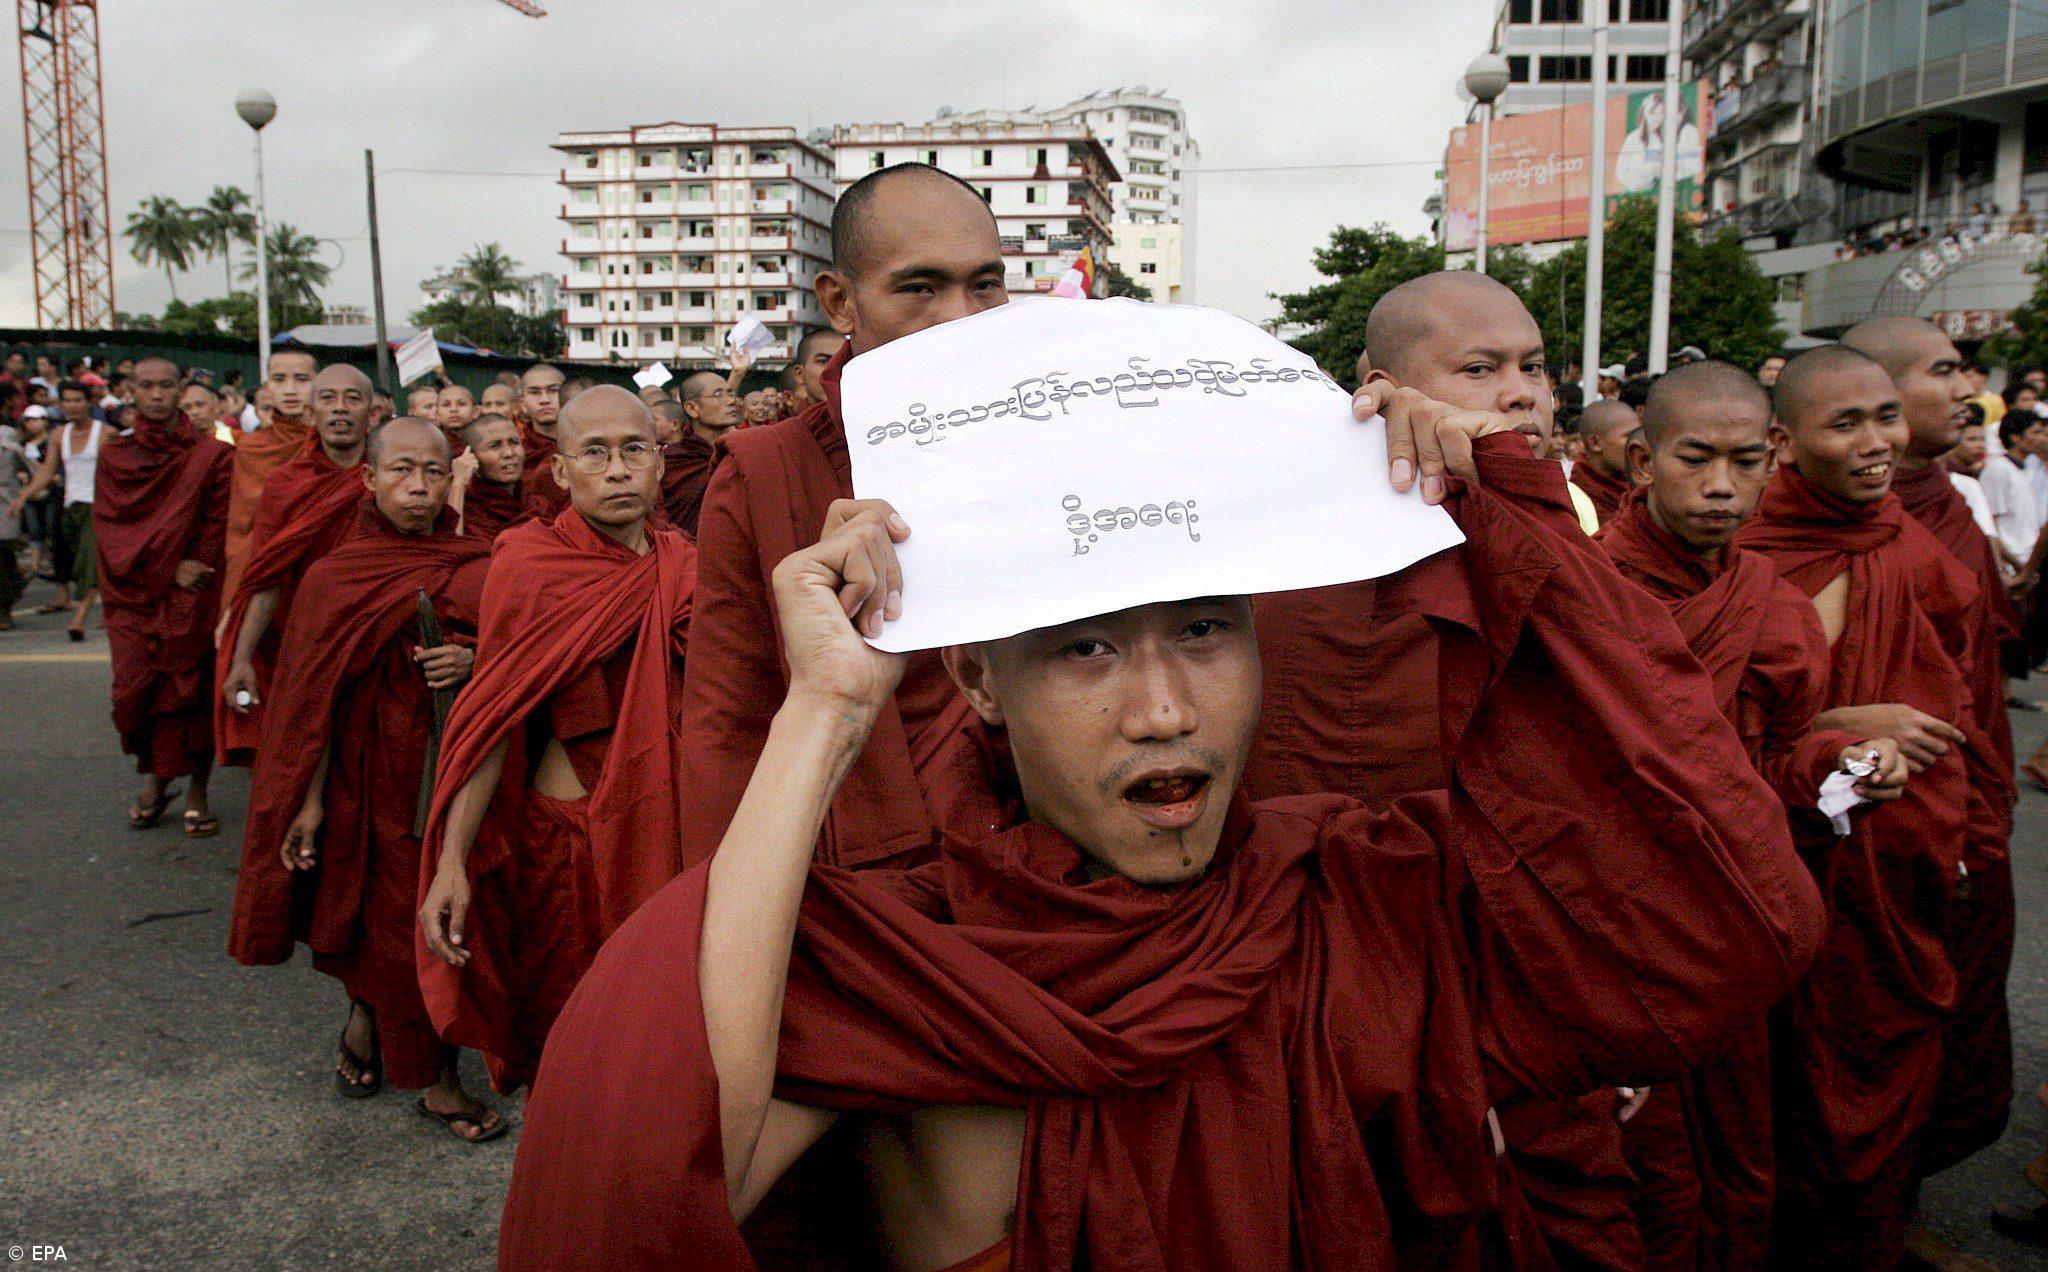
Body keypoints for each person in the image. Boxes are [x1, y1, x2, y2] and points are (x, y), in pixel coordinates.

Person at [497, 384, 1832, 1270]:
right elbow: (636, 1213)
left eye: (1205, 632)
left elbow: (1724, 930)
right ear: (972, 681)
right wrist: (825, 715)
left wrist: (1504, 519)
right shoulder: (915, 966)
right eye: (1082, 651)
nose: (1160, 711)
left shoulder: (1361, 898)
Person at [1600, 360, 1909, 1269]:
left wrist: (1843, 767)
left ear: (1775, 457)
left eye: (1744, 461)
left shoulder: (1766, 601)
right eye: (1696, 460)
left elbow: (1773, 755)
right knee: (1636, 1171)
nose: (1722, 488)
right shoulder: (1582, 588)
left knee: (1730, 1152)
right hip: (1617, 919)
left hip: (1730, 915)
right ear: (1641, 460)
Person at [1735, 344, 1984, 1268]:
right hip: (1798, 857)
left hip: (1911, 845)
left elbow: (1963, 687)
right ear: (1785, 443)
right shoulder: (1747, 550)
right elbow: (1703, 719)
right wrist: (1842, 722)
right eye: (1846, 423)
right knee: (1789, 1080)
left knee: (1892, 1048)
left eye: (1885, 415)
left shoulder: (1904, 536)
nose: (1878, 441)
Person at [679, 164, 1003, 870]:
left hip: (1036, 851)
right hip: (858, 866)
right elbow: (726, 726)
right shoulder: (767, 472)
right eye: (920, 287)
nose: (961, 318)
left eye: (985, 284)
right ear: (840, 301)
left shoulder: (1058, 451)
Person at [227, 416, 507, 1143]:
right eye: (402, 472)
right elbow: (310, 703)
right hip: (361, 777)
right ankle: (436, 1082)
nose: (417, 488)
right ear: (368, 479)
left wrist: (474, 660)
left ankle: (365, 1014)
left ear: (453, 481)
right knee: (385, 915)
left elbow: (520, 653)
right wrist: (309, 802)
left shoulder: (479, 560)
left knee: (431, 916)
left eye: (432, 473)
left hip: (446, 772)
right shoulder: (333, 577)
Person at [416, 386, 695, 1091]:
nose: (618, 469)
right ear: (563, 472)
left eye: (634, 450)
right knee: (571, 1028)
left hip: (670, 828)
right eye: (594, 454)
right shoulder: (530, 562)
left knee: (665, 1027)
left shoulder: (687, 564)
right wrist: (452, 859)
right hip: (565, 839)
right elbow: (495, 716)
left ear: (660, 463)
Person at [92, 357, 233, 834]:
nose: (156, 395)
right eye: (146, 386)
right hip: (134, 590)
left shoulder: (210, 454)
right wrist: (166, 567)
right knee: (132, 691)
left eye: (166, 386)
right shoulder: (116, 455)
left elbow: (218, 523)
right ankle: (154, 774)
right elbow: (112, 524)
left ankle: (195, 789)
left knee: (190, 691)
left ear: (181, 390)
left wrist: (191, 567)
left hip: (193, 590)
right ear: (131, 390)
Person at [216, 365, 376, 768]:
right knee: (302, 756)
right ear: (312, 412)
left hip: (376, 637)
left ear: (372, 414)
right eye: (327, 399)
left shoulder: (393, 477)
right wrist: (242, 657)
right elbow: (268, 574)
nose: (340, 409)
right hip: (304, 638)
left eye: (352, 398)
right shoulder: (287, 482)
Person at [8, 380, 104, 640]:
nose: (73, 405)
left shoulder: (104, 433)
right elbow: (47, 470)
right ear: (60, 405)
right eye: (68, 400)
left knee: (88, 563)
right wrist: (21, 498)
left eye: (78, 400)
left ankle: (79, 619)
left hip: (97, 507)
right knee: (69, 560)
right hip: (70, 504)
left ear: (89, 403)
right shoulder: (59, 434)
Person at [449, 413, 531, 544]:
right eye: (495, 445)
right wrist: (458, 484)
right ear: (470, 456)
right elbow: (453, 547)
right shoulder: (464, 508)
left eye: (514, 442)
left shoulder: (536, 501)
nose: (509, 453)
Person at [652, 398, 715, 535]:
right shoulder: (653, 456)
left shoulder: (700, 451)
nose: (647, 425)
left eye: (654, 419)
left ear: (675, 424)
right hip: (668, 532)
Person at [1571, 399, 1637, 526]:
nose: (1637, 444)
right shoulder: (1575, 498)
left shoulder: (1637, 486)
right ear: (1595, 443)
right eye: (1629, 436)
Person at [514, 363, 568, 518]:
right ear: (522, 403)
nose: (544, 400)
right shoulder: (517, 454)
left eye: (553, 391)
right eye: (535, 392)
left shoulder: (584, 445)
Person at [1946, 413, 1999, 541]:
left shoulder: (1983, 473)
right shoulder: (1946, 479)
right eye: (1972, 439)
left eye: (1982, 439)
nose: (1980, 445)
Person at [789, 328, 847, 411]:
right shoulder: (790, 424)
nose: (835, 368)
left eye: (844, 361)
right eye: (823, 361)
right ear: (800, 374)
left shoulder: (868, 420)